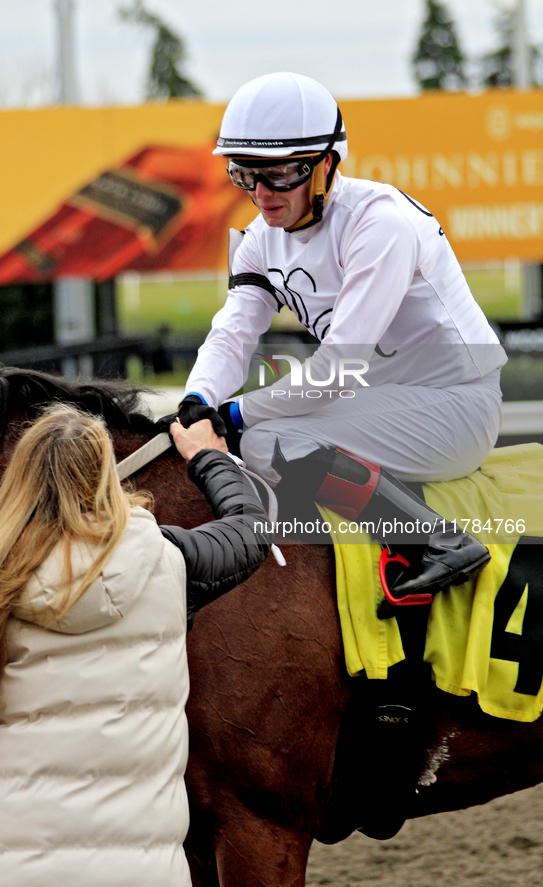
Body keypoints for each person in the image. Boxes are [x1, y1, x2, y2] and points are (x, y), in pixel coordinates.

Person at [178, 71, 507, 604]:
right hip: (383, 398)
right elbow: (233, 331)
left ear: (326, 164)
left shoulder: (380, 224)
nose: (261, 194)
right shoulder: (261, 239)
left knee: (267, 440)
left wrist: (235, 414)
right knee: (253, 429)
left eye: (280, 174)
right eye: (245, 174)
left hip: (457, 407)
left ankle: (439, 542)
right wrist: (198, 399)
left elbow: (335, 371)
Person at [0, 405, 271, 887]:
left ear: (18, 480)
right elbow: (249, 529)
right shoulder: (172, 563)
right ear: (107, 479)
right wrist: (209, 458)